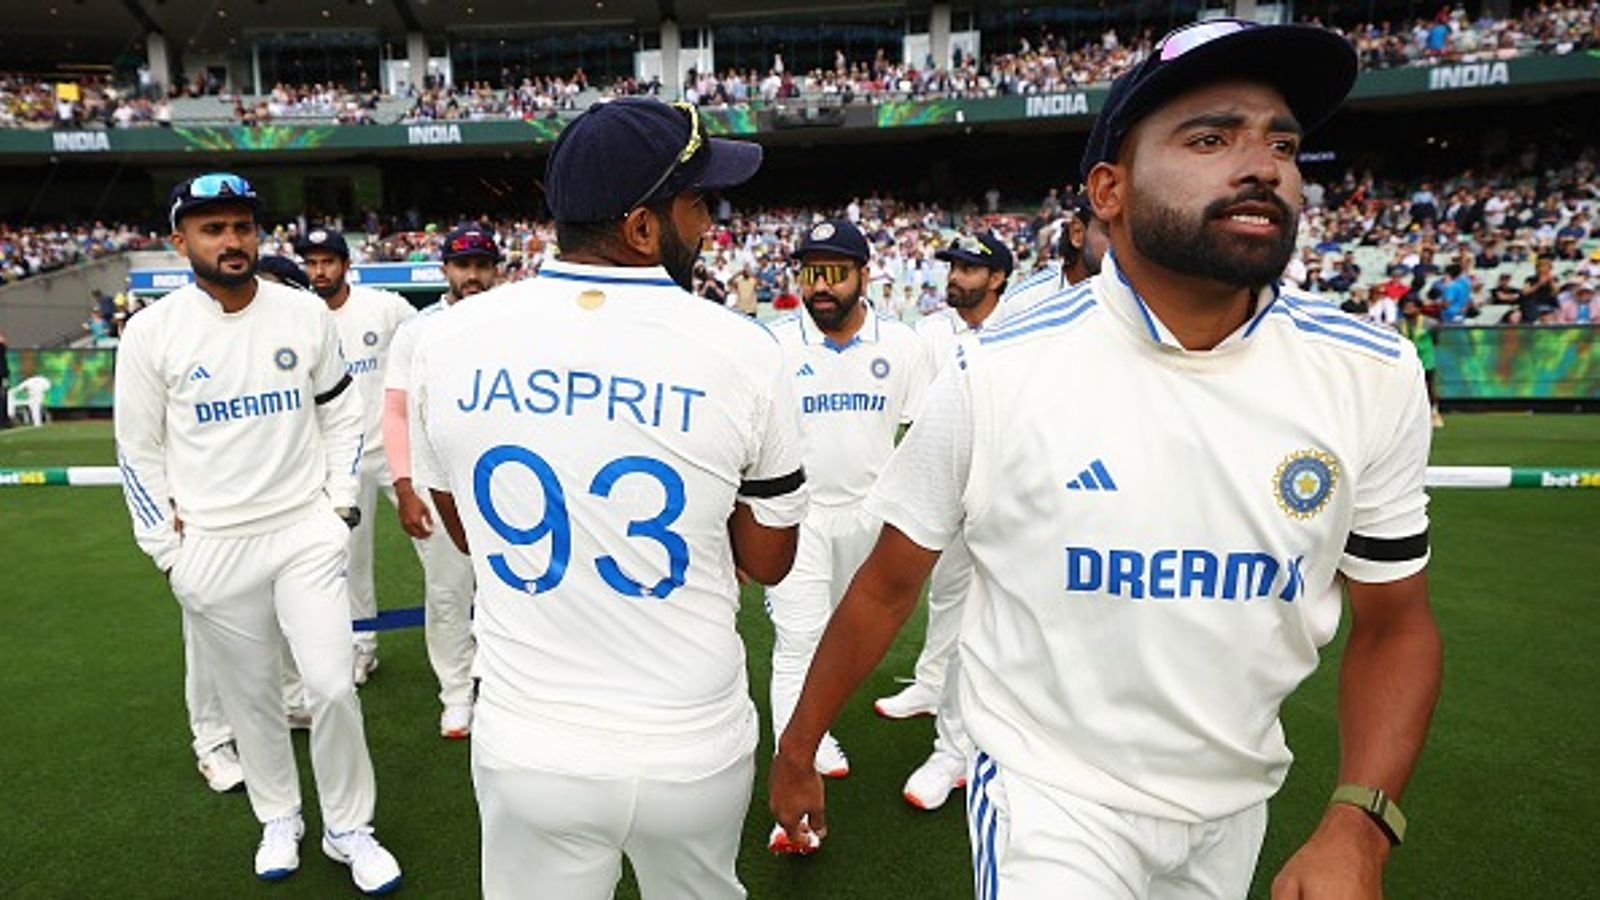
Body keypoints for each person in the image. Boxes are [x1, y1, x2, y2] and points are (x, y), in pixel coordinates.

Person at [772, 20, 1441, 900]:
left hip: (1236, 807)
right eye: (1210, 137)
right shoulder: (996, 370)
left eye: (1281, 141)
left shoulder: (1370, 372)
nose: (1263, 164)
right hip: (1049, 802)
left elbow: (1396, 623)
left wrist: (1360, 820)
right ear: (1109, 190)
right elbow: (889, 584)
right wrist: (797, 746)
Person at [408, 98, 807, 900]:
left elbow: (462, 527)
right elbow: (768, 561)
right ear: (641, 227)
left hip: (529, 740)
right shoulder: (742, 350)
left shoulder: (445, 340)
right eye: (698, 202)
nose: (711, 223)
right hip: (690, 743)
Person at [115, 173, 401, 892]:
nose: (232, 241)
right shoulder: (152, 332)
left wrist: (338, 507)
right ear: (181, 241)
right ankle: (281, 817)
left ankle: (349, 829)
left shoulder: (304, 314)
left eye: (242, 226)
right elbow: (137, 452)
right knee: (252, 701)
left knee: (333, 686)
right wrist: (169, 553)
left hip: (303, 532)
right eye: (212, 229)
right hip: (212, 544)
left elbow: (341, 413)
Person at [764, 219, 930, 851]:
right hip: (800, 517)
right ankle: (798, 765)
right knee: (797, 638)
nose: (822, 286)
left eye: (835, 272)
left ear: (865, 275)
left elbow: (920, 433)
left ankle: (817, 726)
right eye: (811, 272)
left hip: (872, 515)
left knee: (850, 633)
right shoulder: (776, 346)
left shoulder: (906, 347)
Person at [872, 230, 1015, 814]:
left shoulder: (1022, 328)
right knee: (947, 599)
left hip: (1006, 489)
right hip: (946, 485)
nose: (955, 277)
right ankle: (936, 701)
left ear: (998, 278)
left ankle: (965, 744)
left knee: (994, 615)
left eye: (969, 269)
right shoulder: (932, 333)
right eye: (952, 266)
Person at [380, 223, 497, 739]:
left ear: (496, 268)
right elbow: (396, 412)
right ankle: (455, 694)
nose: (472, 276)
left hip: (503, 478)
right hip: (436, 479)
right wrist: (405, 486)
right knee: (448, 591)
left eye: (481, 265)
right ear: (445, 269)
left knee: (511, 588)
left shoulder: (514, 322)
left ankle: (498, 683)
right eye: (462, 265)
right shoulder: (416, 331)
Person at [295, 227, 418, 686]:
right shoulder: (302, 318)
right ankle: (362, 648)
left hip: (396, 450)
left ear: (346, 265)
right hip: (340, 461)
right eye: (311, 263)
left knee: (438, 544)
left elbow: (424, 337)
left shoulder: (382, 306)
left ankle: (466, 636)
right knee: (350, 560)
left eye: (327, 261)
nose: (319, 271)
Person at [1398, 296, 1444, 428]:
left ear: (1418, 308)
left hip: (1426, 359)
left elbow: (1436, 339)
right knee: (1407, 388)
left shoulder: (1430, 323)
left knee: (1429, 386)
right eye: (1405, 307)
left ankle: (1434, 412)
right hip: (1407, 361)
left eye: (1411, 307)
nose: (1408, 309)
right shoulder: (1399, 324)